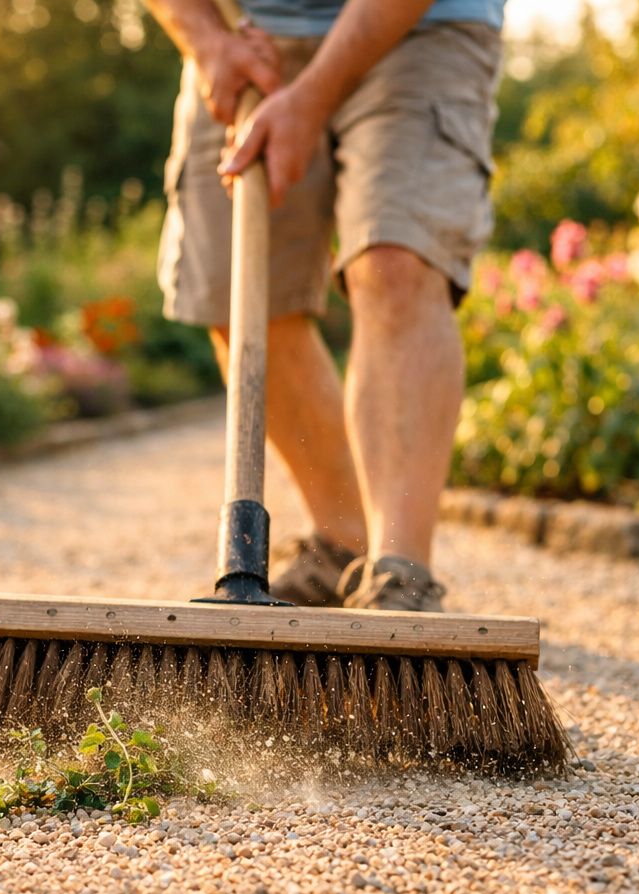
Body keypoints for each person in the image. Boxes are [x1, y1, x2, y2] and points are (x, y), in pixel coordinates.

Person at [145, 0, 504, 611]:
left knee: (396, 260)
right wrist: (206, 39)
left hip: (421, 29)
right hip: (246, 38)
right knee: (238, 295)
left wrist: (311, 98)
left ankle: (401, 574)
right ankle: (344, 546)